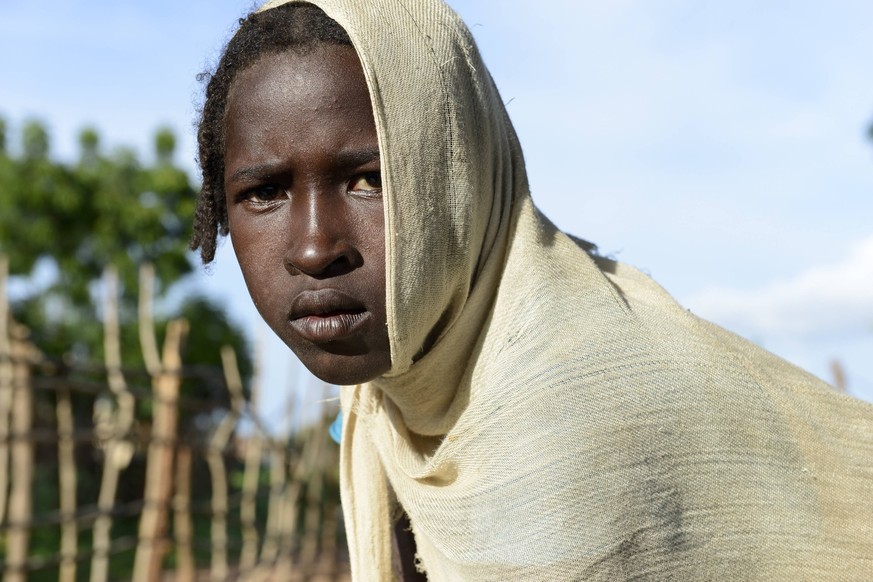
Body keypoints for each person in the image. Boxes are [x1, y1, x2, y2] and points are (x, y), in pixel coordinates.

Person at [192, 1, 873, 579]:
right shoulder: (393, 402)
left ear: (461, 174)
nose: (314, 247)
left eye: (371, 179)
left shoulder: (573, 425)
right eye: (264, 192)